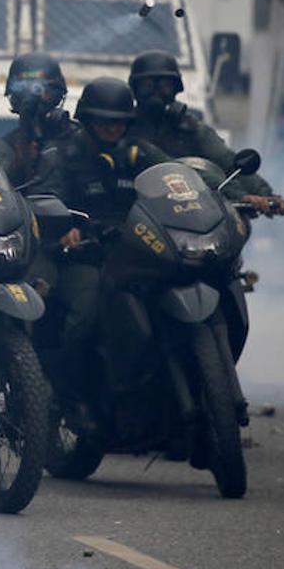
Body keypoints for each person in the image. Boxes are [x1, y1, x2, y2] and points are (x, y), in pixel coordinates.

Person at [34, 77, 175, 428]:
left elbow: (176, 178)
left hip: (140, 250)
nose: (112, 128)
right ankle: (67, 395)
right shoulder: (62, 155)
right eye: (103, 120)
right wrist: (64, 227)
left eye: (119, 121)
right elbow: (44, 199)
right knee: (86, 312)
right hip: (87, 255)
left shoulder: (140, 153)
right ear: (87, 120)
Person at [125, 50, 284, 215]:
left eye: (165, 87)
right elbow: (178, 171)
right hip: (135, 214)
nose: (156, 94)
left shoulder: (189, 128)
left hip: (190, 214)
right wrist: (239, 195)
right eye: (147, 86)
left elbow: (227, 160)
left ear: (176, 89)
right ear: (134, 90)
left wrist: (264, 194)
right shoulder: (122, 129)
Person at [0, 51, 77, 188]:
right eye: (24, 90)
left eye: (43, 90)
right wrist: (19, 164)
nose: (35, 98)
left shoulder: (80, 139)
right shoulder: (6, 148)